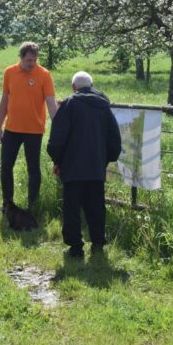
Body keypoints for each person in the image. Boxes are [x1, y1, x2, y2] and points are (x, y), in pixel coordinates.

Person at [46, 71, 122, 259]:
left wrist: (58, 160)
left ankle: (76, 247)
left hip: (72, 167)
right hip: (96, 166)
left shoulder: (69, 105)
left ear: (74, 87)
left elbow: (57, 139)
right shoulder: (104, 106)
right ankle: (97, 243)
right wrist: (104, 159)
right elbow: (115, 140)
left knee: (72, 208)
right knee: (96, 207)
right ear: (92, 85)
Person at [0, 42, 58, 213]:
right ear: (21, 58)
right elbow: (4, 101)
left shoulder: (44, 74)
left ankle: (33, 204)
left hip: (34, 130)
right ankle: (7, 203)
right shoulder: (9, 72)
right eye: (29, 60)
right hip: (12, 129)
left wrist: (59, 125)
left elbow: (51, 103)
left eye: (35, 60)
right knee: (6, 166)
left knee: (33, 169)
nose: (32, 63)